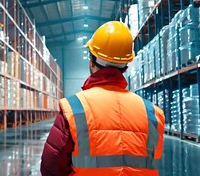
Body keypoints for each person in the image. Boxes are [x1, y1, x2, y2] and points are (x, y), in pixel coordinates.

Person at [40, 21, 165, 176]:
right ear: (125, 66)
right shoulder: (153, 114)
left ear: (92, 62)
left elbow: (51, 168)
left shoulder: (73, 108)